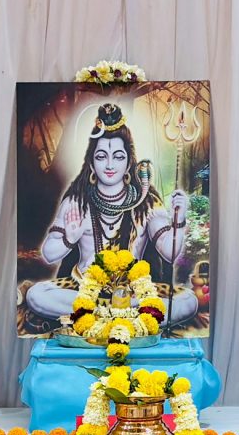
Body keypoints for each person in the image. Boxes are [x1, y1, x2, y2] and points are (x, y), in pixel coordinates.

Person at [26, 102, 194, 330]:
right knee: (36, 295)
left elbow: (170, 253)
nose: (109, 165)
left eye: (118, 156)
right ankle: (121, 318)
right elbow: (48, 254)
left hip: (133, 293)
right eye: (101, 156)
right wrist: (69, 239)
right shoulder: (77, 200)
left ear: (129, 162)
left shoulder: (146, 200)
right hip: (83, 290)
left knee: (186, 301)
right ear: (91, 163)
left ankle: (103, 317)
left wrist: (178, 221)